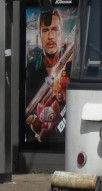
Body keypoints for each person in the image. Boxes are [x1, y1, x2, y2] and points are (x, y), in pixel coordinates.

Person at [25, 9, 72, 145]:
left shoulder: (72, 64)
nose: (50, 36)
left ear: (61, 33)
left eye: (55, 30)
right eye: (45, 31)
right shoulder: (32, 67)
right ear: (40, 35)